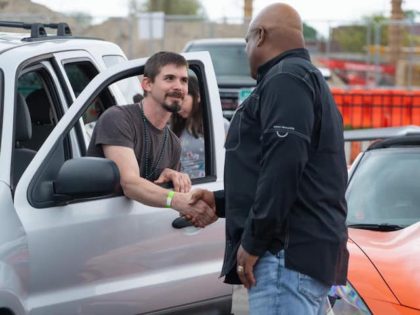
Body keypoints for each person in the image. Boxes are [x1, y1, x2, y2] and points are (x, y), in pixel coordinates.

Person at [190, 3, 349, 314]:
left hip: (283, 258)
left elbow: (284, 167)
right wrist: (218, 200)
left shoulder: (285, 78)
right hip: (299, 258)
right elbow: (282, 172)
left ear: (260, 35)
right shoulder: (302, 79)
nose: (246, 49)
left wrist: (254, 242)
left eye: (246, 41)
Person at [87, 51, 216, 227]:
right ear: (147, 84)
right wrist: (176, 198)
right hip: (94, 229)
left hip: (138, 236)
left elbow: (160, 195)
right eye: (169, 78)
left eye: (183, 80)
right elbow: (130, 183)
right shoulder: (117, 118)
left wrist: (173, 182)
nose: (179, 86)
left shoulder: (173, 143)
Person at [171, 76, 230, 179]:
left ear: (197, 96)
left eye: (183, 100)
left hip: (210, 186)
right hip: (181, 189)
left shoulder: (219, 125)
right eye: (175, 102)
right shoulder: (174, 127)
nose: (179, 106)